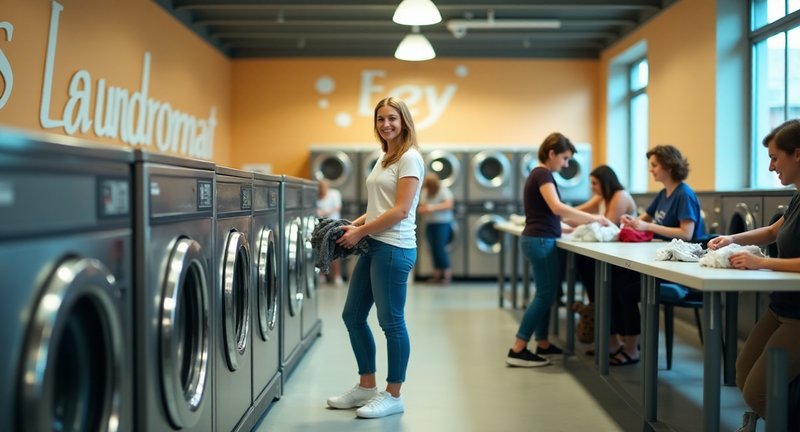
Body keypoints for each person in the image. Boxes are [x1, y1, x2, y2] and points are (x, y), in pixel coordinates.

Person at [326, 97, 424, 419]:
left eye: (392, 118)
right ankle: (366, 385)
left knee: (391, 321)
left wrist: (360, 233)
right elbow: (382, 205)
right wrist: (353, 225)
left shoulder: (409, 159)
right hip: (374, 245)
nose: (386, 124)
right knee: (352, 316)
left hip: (394, 248)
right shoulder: (384, 157)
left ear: (404, 121)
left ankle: (394, 393)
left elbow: (401, 210)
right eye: (381, 119)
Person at [707, 120, 800, 432]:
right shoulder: (798, 195)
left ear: (797, 154)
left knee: (757, 391)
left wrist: (762, 264)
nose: (772, 166)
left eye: (775, 157)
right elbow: (774, 231)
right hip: (781, 307)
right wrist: (734, 239)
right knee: (743, 373)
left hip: (799, 315)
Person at [506, 132, 611, 368]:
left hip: (541, 238)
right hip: (540, 242)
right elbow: (556, 208)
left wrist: (564, 229)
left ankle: (542, 343)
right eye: (564, 158)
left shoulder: (540, 174)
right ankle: (518, 349)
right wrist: (593, 218)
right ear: (551, 153)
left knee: (548, 295)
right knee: (544, 295)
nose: (565, 165)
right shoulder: (542, 173)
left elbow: (546, 214)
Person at [608, 144, 705, 366]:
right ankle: (626, 339)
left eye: (654, 165)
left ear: (668, 166)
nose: (651, 170)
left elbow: (686, 233)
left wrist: (646, 226)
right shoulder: (664, 193)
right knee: (615, 281)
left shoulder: (684, 194)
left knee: (626, 291)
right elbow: (645, 218)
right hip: (664, 263)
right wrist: (632, 222)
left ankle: (632, 348)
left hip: (680, 271)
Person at [571, 165, 637, 353]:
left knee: (603, 285)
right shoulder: (602, 197)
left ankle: (615, 339)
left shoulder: (620, 196)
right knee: (585, 268)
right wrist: (562, 217)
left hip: (625, 259)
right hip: (610, 253)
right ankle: (611, 338)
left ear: (605, 182)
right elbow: (578, 213)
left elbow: (605, 225)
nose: (592, 187)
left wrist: (572, 223)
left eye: (595, 183)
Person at [417, 173, 455, 285]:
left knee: (440, 249)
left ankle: (447, 276)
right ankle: (437, 276)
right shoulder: (425, 191)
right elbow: (422, 206)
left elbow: (449, 204)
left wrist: (432, 208)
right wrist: (423, 209)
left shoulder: (443, 191)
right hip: (430, 224)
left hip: (443, 223)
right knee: (433, 249)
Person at [316, 180, 343, 285]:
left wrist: (324, 212)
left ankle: (336, 276)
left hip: (334, 226)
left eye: (323, 186)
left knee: (334, 252)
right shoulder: (317, 196)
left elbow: (337, 207)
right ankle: (322, 276)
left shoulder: (334, 194)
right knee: (321, 251)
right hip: (321, 226)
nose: (322, 188)